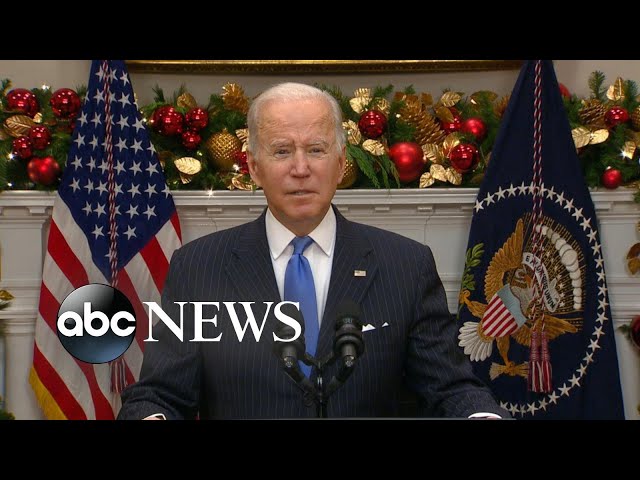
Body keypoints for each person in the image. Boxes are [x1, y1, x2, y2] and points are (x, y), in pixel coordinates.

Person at [117, 82, 508, 420]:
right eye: (282, 151)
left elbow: (451, 389)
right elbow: (160, 394)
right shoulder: (199, 266)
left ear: (340, 162)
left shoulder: (406, 264)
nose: (301, 168)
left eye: (317, 150)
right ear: (253, 167)